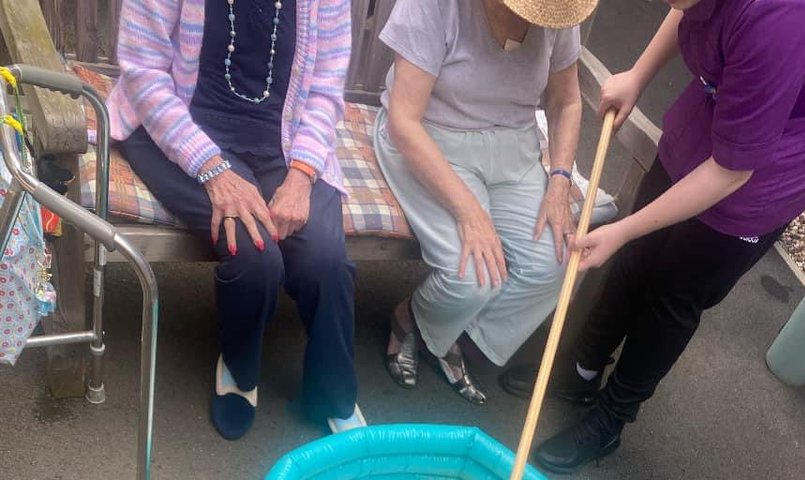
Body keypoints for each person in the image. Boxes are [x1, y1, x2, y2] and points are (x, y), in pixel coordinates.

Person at [500, 0, 805, 471]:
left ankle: (611, 418)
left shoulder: (785, 19)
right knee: (638, 258)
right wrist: (639, 74)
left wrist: (623, 230)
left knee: (674, 294)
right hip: (733, 92)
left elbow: (732, 171)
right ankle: (582, 371)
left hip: (781, 150)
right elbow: (688, 7)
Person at [107, 0, 364, 441]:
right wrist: (212, 168)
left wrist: (302, 175)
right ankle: (240, 365)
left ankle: (332, 391)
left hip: (282, 141)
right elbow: (144, 74)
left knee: (325, 258)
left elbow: (324, 91)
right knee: (256, 254)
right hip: (175, 128)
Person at [374, 0, 591, 406]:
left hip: (516, 148)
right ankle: (412, 321)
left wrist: (560, 181)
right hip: (431, 139)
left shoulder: (559, 9)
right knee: (473, 277)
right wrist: (470, 211)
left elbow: (567, 101)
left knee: (558, 262)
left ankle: (436, 331)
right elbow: (404, 121)